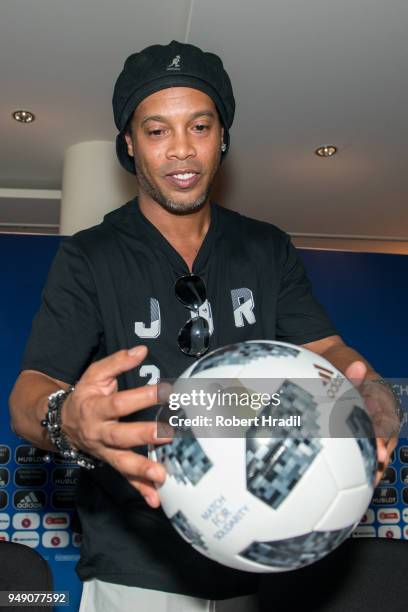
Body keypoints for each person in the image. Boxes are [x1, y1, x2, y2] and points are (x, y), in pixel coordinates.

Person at [9, 40, 400, 612]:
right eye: (157, 130)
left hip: (254, 562)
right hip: (135, 571)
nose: (182, 151)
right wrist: (67, 419)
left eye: (199, 126)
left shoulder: (266, 248)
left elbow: (329, 350)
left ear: (223, 137)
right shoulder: (90, 256)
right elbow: (28, 395)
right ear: (129, 144)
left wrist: (369, 393)